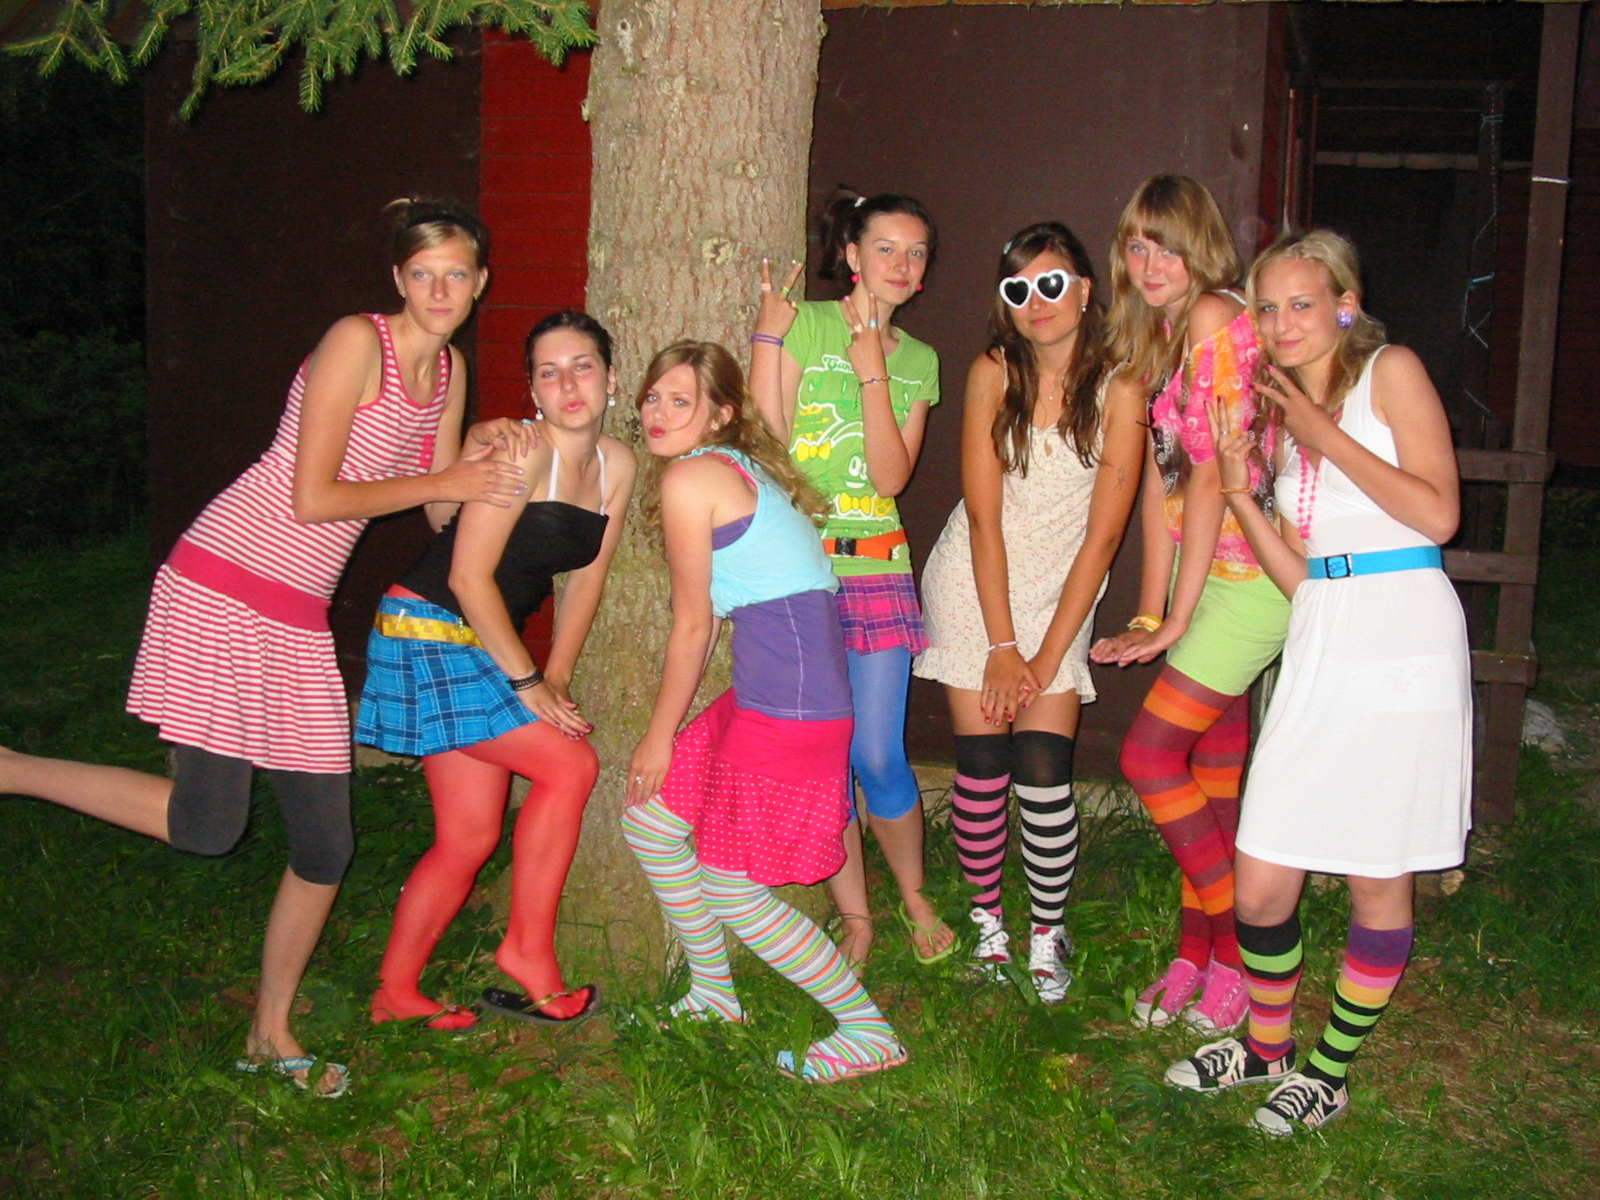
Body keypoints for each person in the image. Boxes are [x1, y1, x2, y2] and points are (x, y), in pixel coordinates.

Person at [0, 200, 528, 1096]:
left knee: (324, 845)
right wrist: (449, 475)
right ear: (399, 280)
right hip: (226, 585)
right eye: (423, 274)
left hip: (296, 614)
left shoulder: (450, 371)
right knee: (208, 825)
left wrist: (485, 452)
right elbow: (313, 497)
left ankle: (269, 1034)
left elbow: (438, 508)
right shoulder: (355, 343)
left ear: (479, 284)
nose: (440, 291)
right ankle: (12, 770)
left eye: (456, 275)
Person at [1162, 230, 1469, 1133]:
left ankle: (1327, 1073)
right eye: (1266, 307)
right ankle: (1267, 1048)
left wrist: (1321, 434)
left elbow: (1438, 515)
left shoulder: (1389, 374)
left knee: (1377, 874)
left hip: (1403, 636)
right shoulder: (1288, 414)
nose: (1281, 322)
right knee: (1262, 878)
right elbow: (1303, 577)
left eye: (1302, 303)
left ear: (1345, 305)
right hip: (1324, 630)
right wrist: (1242, 491)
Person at [621, 341, 906, 1083]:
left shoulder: (694, 478)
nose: (657, 413)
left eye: (679, 401)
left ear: (719, 414)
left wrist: (657, 737)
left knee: (730, 885)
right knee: (650, 821)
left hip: (793, 703)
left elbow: (694, 626)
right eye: (653, 397)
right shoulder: (732, 468)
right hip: (771, 689)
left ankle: (867, 1031)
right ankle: (715, 996)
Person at [359, 310, 635, 1030]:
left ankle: (395, 991)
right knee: (570, 766)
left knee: (468, 837)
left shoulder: (617, 463)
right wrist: (528, 682)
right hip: (426, 628)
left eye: (582, 366)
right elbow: (468, 577)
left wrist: (559, 674)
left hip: (479, 643)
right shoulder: (522, 455)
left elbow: (588, 580)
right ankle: (526, 950)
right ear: (533, 391)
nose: (568, 385)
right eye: (549, 372)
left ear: (610, 377)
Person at [914, 223, 1144, 1001]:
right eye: (1019, 289)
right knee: (983, 769)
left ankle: (1048, 931)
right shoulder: (992, 371)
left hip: (1063, 591)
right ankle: (989, 926)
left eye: (1052, 284)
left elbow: (1104, 538)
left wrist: (1043, 657)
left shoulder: (1122, 387)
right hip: (976, 585)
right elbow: (982, 518)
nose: (1036, 302)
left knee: (1044, 773)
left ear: (1084, 290)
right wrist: (1001, 644)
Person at [1089, 175, 1291, 1035]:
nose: (1150, 263)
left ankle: (1241, 958)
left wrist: (1177, 620)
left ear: (1200, 247)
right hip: (1205, 578)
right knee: (1211, 787)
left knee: (1149, 757)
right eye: (1137, 246)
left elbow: (1212, 476)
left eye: (1167, 245)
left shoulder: (1214, 316)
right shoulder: (1163, 337)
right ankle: (1194, 956)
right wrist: (1152, 608)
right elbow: (1161, 489)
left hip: (1248, 581)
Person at [748, 189, 951, 969]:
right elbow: (766, 442)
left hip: (878, 567)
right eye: (886, 248)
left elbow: (892, 478)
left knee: (877, 754)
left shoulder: (919, 361)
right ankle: (857, 916)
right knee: (826, 754)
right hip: (802, 571)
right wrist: (768, 339)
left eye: (916, 252)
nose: (901, 263)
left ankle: (915, 894)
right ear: (853, 255)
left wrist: (873, 376)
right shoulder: (805, 323)